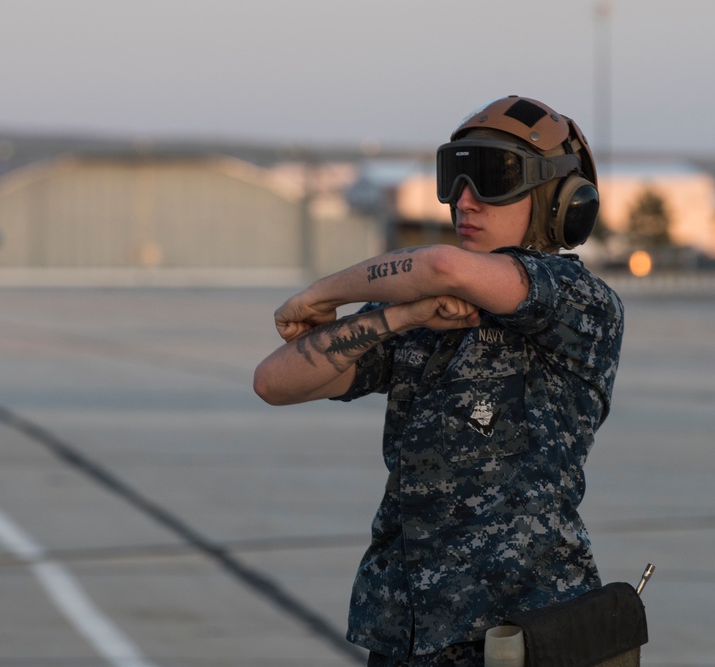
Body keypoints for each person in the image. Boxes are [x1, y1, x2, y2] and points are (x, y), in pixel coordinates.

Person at [253, 95, 624, 666]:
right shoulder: (426, 312)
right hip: (406, 633)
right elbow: (274, 383)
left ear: (557, 201)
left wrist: (320, 294)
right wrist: (397, 317)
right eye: (454, 177)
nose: (465, 200)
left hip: (517, 635)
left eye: (494, 178)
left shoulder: (580, 304)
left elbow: (440, 264)